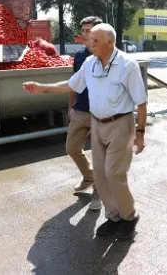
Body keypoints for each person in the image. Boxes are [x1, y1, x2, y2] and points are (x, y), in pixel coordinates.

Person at [23, 23, 148, 240]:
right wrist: (42, 87)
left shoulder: (128, 66)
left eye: (95, 40)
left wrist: (140, 133)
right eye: (89, 40)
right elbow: (72, 85)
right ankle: (113, 217)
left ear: (110, 42)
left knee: (114, 174)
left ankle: (129, 217)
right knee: (99, 175)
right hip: (97, 123)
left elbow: (142, 102)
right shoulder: (90, 63)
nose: (90, 44)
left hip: (121, 124)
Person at [66, 16, 103, 211]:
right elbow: (74, 82)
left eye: (89, 30)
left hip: (101, 113)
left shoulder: (108, 54)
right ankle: (89, 177)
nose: (85, 34)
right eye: (84, 31)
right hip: (80, 109)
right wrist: (70, 106)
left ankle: (99, 191)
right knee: (72, 148)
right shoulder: (80, 55)